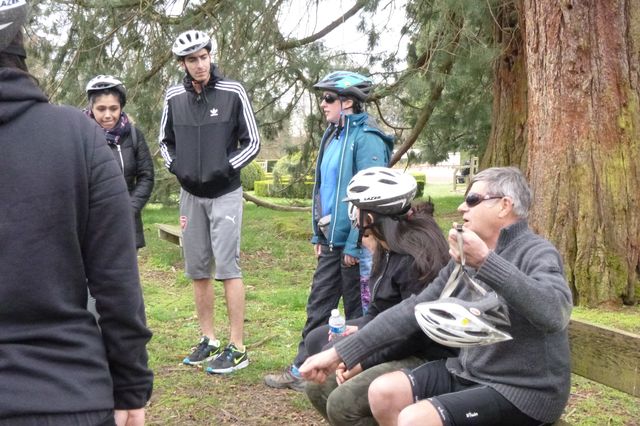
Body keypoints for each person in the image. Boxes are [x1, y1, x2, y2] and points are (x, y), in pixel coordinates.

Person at [300, 167, 573, 426]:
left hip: (523, 390)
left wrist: (487, 262)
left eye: (473, 199)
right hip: (469, 373)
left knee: (414, 419)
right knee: (383, 392)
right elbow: (412, 309)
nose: (461, 207)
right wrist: (338, 354)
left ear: (504, 205)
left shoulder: (536, 252)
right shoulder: (465, 259)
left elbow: (554, 312)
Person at [0, 3, 153, 425]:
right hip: (65, 392)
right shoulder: (79, 137)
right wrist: (130, 385)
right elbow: (117, 280)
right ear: (22, 48)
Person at [264, 71, 394, 391]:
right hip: (331, 242)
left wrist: (353, 244)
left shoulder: (368, 139)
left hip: (358, 245)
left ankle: (357, 376)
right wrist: (318, 234)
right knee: (317, 307)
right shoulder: (332, 135)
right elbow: (324, 190)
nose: (322, 104)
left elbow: (371, 199)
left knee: (357, 313)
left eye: (328, 98)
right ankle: (302, 369)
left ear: (347, 101)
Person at [304, 167, 456, 425]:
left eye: (356, 208)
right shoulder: (387, 247)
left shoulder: (414, 257)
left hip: (428, 354)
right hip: (396, 339)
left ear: (371, 216)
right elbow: (378, 310)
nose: (353, 215)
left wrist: (362, 361)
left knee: (342, 403)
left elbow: (415, 333)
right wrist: (360, 333)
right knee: (317, 380)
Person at [159, 29, 260, 374]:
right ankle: (209, 339)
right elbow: (164, 142)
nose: (200, 65)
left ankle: (238, 347)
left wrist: (223, 166)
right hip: (191, 194)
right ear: (183, 64)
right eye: (192, 60)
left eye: (204, 57)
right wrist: (179, 168)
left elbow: (253, 141)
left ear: (210, 55)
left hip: (225, 194)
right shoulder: (173, 96)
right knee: (198, 270)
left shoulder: (232, 92)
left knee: (228, 268)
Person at [85, 74, 154, 250]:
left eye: (113, 108)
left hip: (126, 223)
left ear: (121, 108)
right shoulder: (80, 136)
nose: (108, 115)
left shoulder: (133, 135)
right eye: (101, 109)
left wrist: (129, 209)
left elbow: (146, 176)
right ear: (91, 107)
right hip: (90, 225)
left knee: (125, 276)